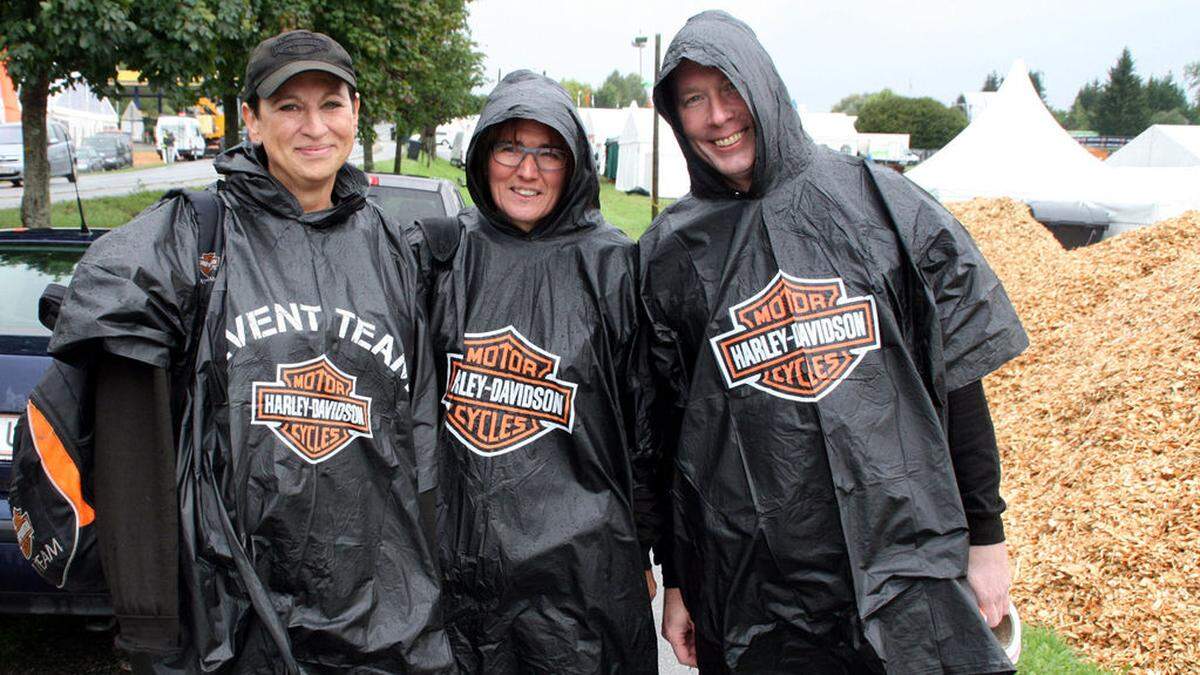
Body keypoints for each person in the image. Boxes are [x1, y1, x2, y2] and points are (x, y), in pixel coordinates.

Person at [48, 30, 454, 673]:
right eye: (289, 106)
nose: (314, 127)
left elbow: (419, 431)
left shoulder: (390, 246)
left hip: (375, 615)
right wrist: (149, 610)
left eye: (332, 104)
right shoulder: (193, 234)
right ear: (251, 121)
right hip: (230, 610)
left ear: (356, 114)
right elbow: (110, 338)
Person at [637, 11, 1026, 674]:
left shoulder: (880, 204)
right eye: (694, 100)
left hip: (902, 560)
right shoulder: (672, 254)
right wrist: (678, 580)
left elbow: (958, 379)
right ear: (676, 119)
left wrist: (985, 537)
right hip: (754, 584)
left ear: (764, 87)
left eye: (729, 90)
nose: (718, 116)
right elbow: (668, 435)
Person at [408, 70, 657, 674]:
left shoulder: (613, 267)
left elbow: (650, 428)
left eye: (548, 152)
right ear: (483, 154)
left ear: (574, 164)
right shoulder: (438, 257)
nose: (527, 170)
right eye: (510, 147)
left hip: (581, 580)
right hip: (458, 570)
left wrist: (652, 553)